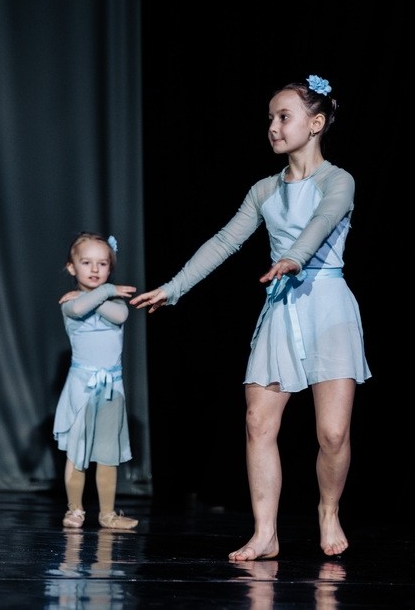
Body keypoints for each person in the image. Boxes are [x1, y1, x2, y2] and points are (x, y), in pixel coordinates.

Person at [130, 74, 371, 560]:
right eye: (270, 118)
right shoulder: (265, 190)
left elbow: (324, 219)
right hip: (282, 308)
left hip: (327, 305)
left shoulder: (338, 180)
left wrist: (296, 257)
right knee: (258, 422)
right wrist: (174, 288)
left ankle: (328, 510)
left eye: (284, 117)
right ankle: (265, 533)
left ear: (316, 123)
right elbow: (224, 241)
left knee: (332, 433)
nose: (273, 127)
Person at [54, 232, 139, 530]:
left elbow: (119, 316)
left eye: (102, 264)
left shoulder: (114, 301)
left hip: (111, 389)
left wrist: (102, 293)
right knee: (77, 453)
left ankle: (107, 513)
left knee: (107, 454)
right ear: (72, 267)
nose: (94, 269)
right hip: (82, 387)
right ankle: (75, 510)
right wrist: (102, 292)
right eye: (86, 262)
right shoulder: (69, 303)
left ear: (109, 268)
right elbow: (78, 309)